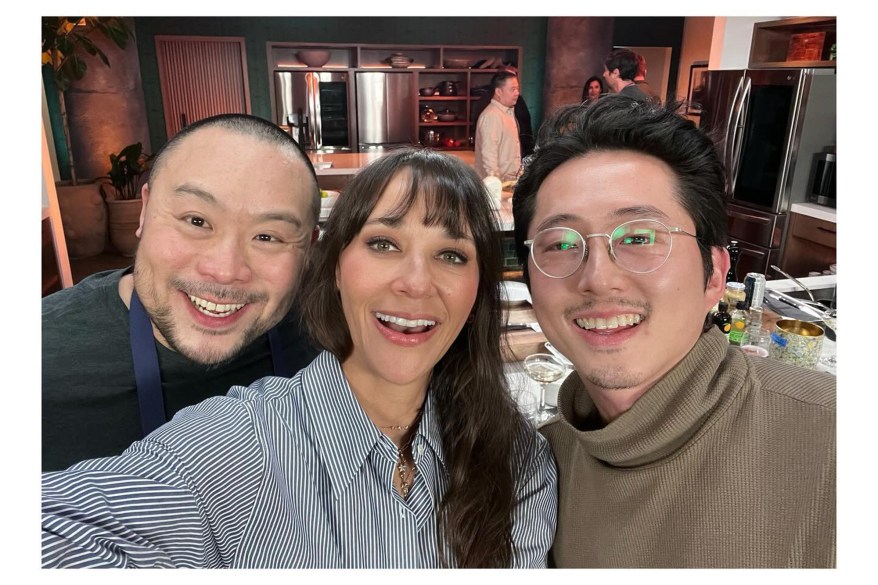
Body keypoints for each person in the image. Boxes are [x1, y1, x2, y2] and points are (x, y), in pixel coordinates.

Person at [42, 148, 558, 568]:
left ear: (478, 288)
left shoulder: (519, 459)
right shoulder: (236, 445)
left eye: (452, 255)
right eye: (383, 243)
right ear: (333, 267)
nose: (416, 283)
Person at [511, 96, 835, 568]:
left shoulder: (830, 441)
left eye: (639, 237)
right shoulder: (543, 468)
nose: (598, 278)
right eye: (561, 244)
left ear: (714, 276)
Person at [42, 114, 321, 471]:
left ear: (308, 249)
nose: (225, 270)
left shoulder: (328, 333)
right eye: (196, 221)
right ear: (144, 210)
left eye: (268, 237)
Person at [472, 66, 535, 158]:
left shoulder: (517, 101)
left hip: (517, 155)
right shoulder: (489, 109)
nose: (516, 92)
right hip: (500, 159)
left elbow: (525, 125)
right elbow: (489, 152)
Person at [474, 70, 522, 182]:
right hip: (498, 185)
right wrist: (496, 184)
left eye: (517, 89)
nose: (517, 93)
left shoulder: (507, 113)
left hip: (509, 182)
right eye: (512, 89)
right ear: (499, 92)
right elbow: (489, 155)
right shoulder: (491, 116)